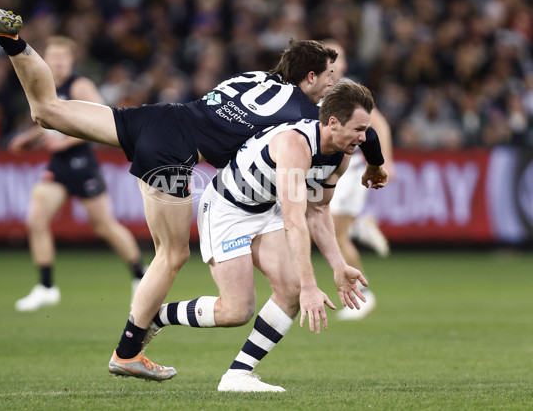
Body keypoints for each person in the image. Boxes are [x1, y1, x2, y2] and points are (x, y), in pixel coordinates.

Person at [0, 0, 388, 381]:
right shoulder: (297, 112)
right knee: (172, 254)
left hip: (161, 117)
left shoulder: (255, 76)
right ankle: (127, 352)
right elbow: (349, 131)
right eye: (329, 76)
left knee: (47, 111)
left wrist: (373, 162)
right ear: (309, 78)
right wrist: (377, 162)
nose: (333, 84)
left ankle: (11, 42)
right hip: (176, 153)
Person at [124, 80, 378, 391]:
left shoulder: (341, 154)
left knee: (291, 290)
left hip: (262, 210)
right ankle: (157, 317)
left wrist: (338, 267)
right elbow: (295, 221)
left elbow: (318, 211)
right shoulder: (295, 146)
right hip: (226, 210)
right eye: (359, 129)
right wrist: (312, 285)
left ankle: (238, 375)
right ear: (333, 123)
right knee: (236, 311)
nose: (364, 137)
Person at [7, 36, 145, 312]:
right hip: (58, 164)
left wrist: (64, 142)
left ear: (71, 61)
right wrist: (31, 137)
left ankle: (141, 278)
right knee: (36, 219)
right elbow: (52, 119)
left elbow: (103, 122)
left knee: (104, 226)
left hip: (81, 163)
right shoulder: (48, 87)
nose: (57, 62)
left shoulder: (79, 85)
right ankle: (46, 287)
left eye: (62, 57)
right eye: (53, 56)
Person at [323, 40, 395, 320]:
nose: (332, 64)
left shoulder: (348, 90)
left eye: (336, 58)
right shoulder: (318, 89)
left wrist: (383, 160)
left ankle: (364, 296)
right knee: (327, 229)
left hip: (349, 171)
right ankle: (361, 225)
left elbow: (379, 124)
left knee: (335, 234)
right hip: (329, 170)